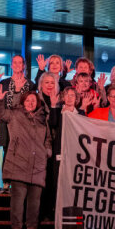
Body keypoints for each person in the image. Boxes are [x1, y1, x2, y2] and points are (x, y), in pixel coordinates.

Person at [0, 86, 50, 229]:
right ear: (23, 102)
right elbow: (0, 113)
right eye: (28, 100)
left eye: (33, 101)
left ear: (38, 103)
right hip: (18, 167)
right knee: (17, 210)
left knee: (33, 211)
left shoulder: (43, 119)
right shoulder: (15, 115)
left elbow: (48, 139)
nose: (31, 103)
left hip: (38, 169)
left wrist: (47, 151)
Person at [0, 55, 33, 193]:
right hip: (6, 122)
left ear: (24, 65)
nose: (18, 65)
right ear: (12, 65)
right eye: (15, 62)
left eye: (20, 62)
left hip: (23, 124)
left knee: (22, 153)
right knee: (7, 152)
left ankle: (21, 184)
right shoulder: (4, 82)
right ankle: (6, 185)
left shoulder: (30, 84)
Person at [43, 87, 83, 222]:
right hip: (60, 154)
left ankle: (72, 212)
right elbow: (52, 124)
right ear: (63, 98)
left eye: (73, 95)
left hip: (76, 156)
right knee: (56, 183)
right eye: (67, 95)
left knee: (73, 185)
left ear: (76, 98)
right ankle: (54, 212)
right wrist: (54, 106)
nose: (70, 98)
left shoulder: (81, 113)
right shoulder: (58, 112)